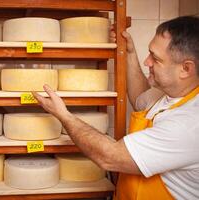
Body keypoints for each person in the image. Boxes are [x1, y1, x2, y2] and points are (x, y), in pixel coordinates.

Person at [33, 16, 199, 200]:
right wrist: (129, 53)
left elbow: (109, 156)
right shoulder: (171, 95)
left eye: (156, 58)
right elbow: (141, 98)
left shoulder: (188, 125)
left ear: (186, 69)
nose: (147, 62)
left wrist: (63, 115)